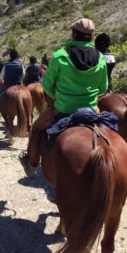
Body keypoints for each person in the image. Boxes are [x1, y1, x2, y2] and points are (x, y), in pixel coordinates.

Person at [19, 18, 108, 177]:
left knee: (37, 129)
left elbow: (46, 85)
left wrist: (57, 97)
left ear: (74, 33)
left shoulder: (60, 56)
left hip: (63, 108)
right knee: (107, 128)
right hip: (91, 108)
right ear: (91, 36)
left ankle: (31, 163)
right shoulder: (100, 58)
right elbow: (103, 88)